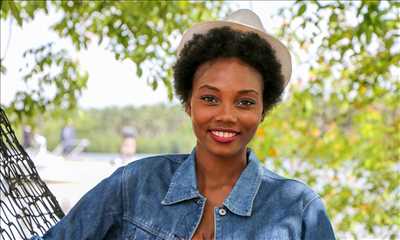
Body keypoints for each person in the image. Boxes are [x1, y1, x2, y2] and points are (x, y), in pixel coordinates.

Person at [33, 9, 335, 239]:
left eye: (245, 102)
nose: (226, 115)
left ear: (262, 111)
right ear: (188, 103)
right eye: (210, 98)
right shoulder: (134, 185)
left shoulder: (299, 209)